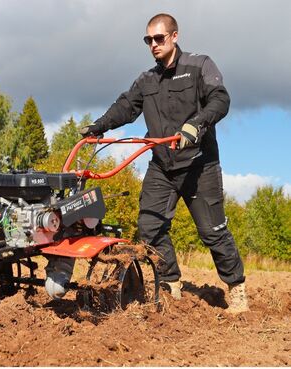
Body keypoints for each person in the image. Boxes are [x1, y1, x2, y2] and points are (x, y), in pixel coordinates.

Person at [80, 13, 248, 313]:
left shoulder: (199, 66)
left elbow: (220, 99)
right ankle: (170, 283)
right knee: (149, 226)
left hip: (199, 164)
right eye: (148, 40)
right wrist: (98, 126)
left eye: (159, 38)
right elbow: (126, 107)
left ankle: (236, 287)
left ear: (174, 36)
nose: (153, 44)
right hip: (162, 165)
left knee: (212, 231)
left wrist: (196, 124)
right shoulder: (147, 79)